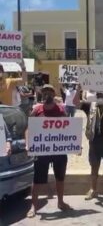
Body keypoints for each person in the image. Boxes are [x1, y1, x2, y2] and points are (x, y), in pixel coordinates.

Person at [27, 85, 72, 218]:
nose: (47, 94)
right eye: (45, 92)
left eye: (50, 92)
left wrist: (73, 144)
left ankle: (60, 202)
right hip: (42, 151)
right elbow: (28, 128)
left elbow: (70, 128)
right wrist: (28, 143)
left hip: (58, 151)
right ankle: (33, 206)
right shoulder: (36, 110)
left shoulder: (61, 109)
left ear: (54, 94)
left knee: (60, 178)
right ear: (42, 94)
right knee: (37, 180)